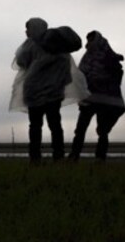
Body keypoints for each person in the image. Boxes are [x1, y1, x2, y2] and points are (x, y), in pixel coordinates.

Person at [10, 18, 88, 163]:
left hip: (34, 92)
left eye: (28, 28)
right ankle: (58, 156)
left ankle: (35, 158)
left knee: (35, 126)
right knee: (55, 125)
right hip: (54, 93)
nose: (26, 32)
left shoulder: (31, 45)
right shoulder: (60, 45)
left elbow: (21, 61)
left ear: (34, 28)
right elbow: (67, 72)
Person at [68, 31, 125, 163]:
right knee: (80, 129)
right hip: (89, 99)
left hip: (103, 100)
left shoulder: (109, 57)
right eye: (87, 41)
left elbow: (116, 77)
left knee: (102, 130)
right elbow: (81, 76)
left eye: (91, 40)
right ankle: (74, 156)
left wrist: (100, 82)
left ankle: (100, 157)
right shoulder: (88, 57)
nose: (88, 44)